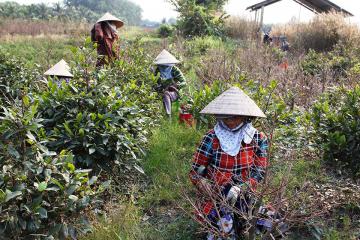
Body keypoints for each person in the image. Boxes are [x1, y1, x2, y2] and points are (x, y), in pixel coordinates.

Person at [189, 87, 268, 240]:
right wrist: (202, 182)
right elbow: (195, 170)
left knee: (267, 222)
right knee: (222, 229)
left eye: (234, 118)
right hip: (217, 194)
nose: (229, 122)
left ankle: (245, 224)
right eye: (225, 118)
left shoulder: (258, 138)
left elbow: (260, 171)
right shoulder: (211, 138)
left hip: (246, 194)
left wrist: (242, 187)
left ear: (245, 117)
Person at [154, 49, 186, 116]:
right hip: (161, 92)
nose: (164, 67)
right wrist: (160, 88)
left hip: (174, 92)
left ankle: (169, 116)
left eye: (166, 65)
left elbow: (184, 82)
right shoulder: (158, 71)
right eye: (162, 65)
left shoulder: (174, 70)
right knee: (163, 94)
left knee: (166, 94)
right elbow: (155, 84)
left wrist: (176, 86)